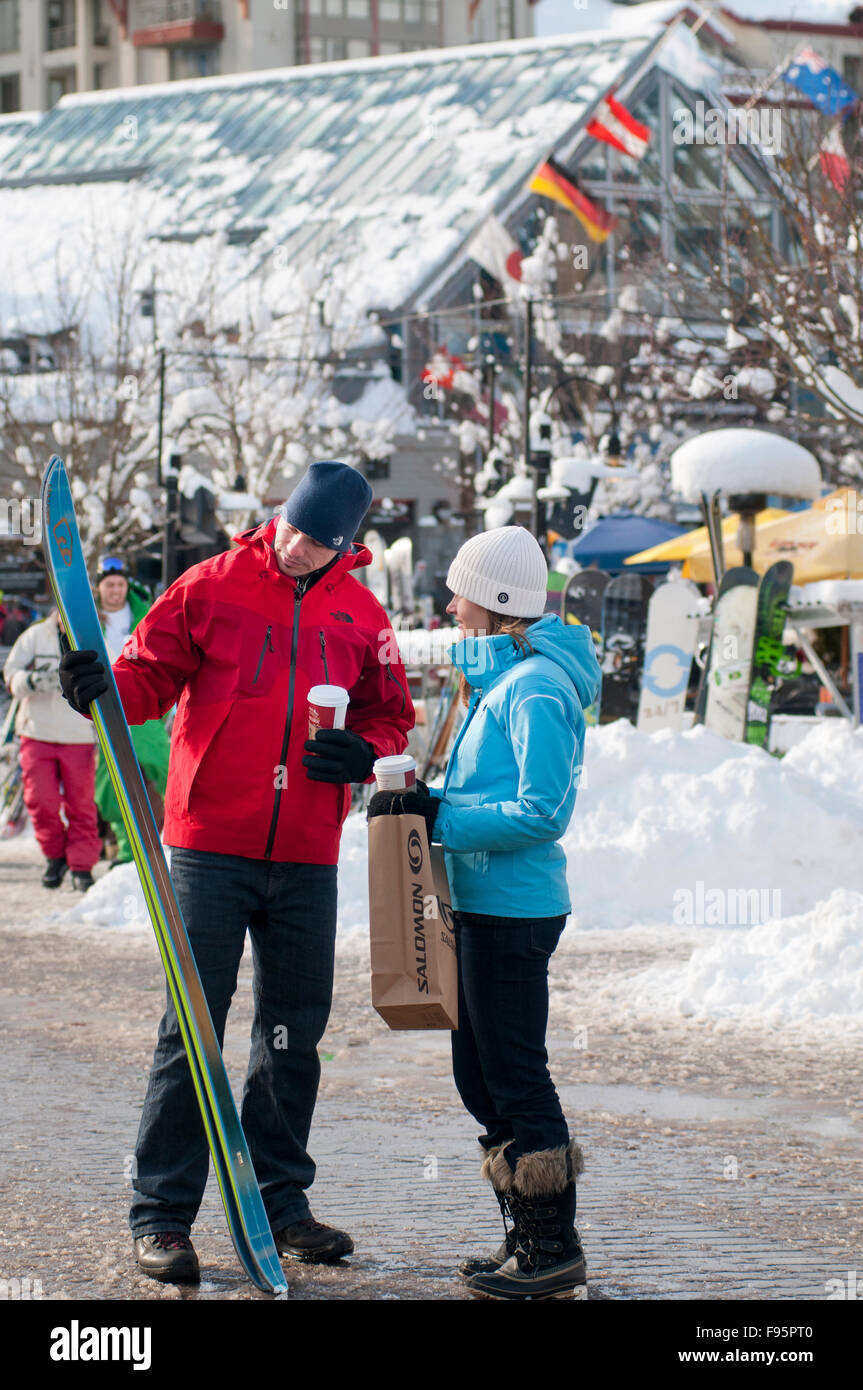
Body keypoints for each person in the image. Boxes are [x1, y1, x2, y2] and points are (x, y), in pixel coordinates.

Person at [60, 460, 414, 1285]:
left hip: (305, 851)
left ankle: (279, 1205)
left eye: (316, 542)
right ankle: (162, 1216)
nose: (295, 549)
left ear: (344, 546)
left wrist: (365, 749)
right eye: (290, 529)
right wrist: (99, 686)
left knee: (292, 1034)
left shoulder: (362, 615)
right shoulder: (209, 586)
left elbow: (392, 717)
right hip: (209, 843)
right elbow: (145, 681)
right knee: (191, 1025)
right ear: (276, 515)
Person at [368, 525, 600, 1300]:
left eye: (458, 590)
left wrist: (440, 818)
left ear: (496, 603)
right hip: (479, 904)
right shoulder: (502, 681)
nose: (446, 602)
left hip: (514, 910)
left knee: (513, 1074)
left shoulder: (534, 688)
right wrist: (428, 803)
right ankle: (523, 1236)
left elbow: (541, 811)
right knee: (480, 1078)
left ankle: (551, 1246)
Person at [3, 610, 100, 890]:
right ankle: (55, 855)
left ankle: (82, 866)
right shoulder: (35, 635)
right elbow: (10, 672)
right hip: (37, 730)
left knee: (80, 803)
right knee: (41, 801)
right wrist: (30, 681)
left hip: (78, 733)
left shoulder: (91, 635)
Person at [93, 557, 170, 864]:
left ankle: (164, 845)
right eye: (109, 585)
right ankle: (125, 851)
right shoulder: (87, 618)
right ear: (99, 588)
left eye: (120, 584)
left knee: (160, 770)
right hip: (103, 709)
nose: (115, 591)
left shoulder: (145, 613)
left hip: (144, 708)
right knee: (113, 783)